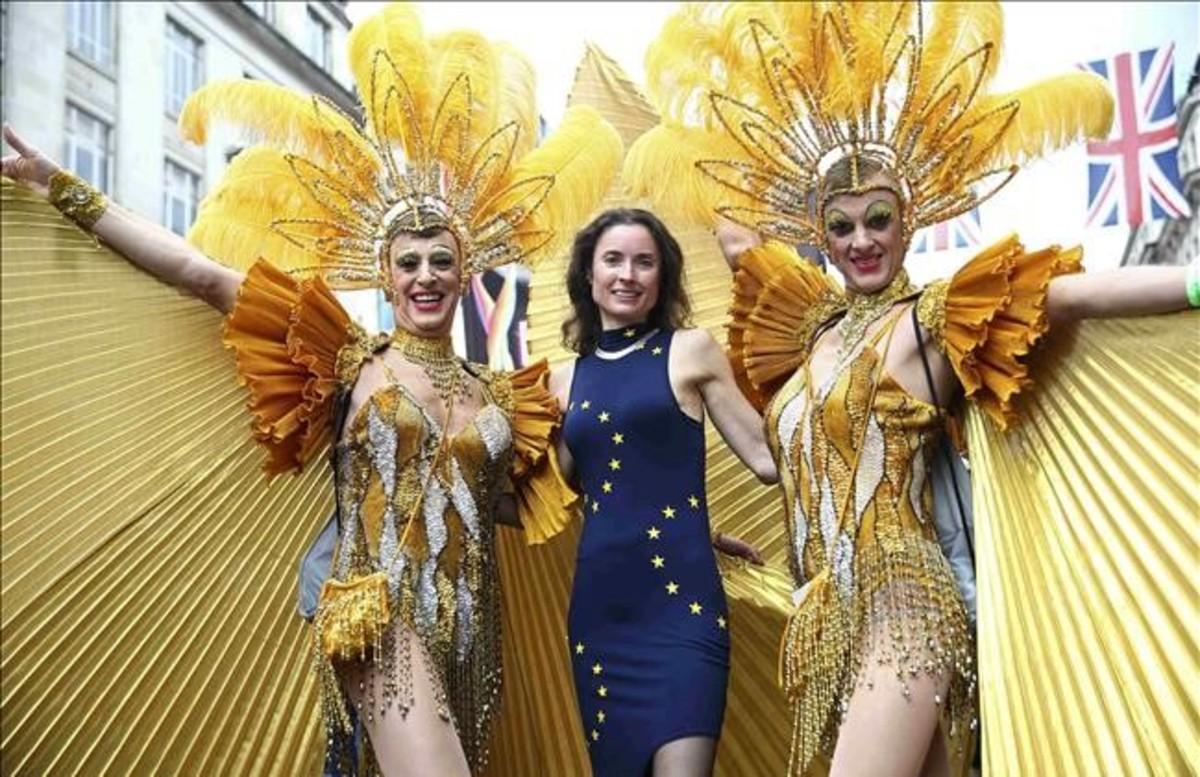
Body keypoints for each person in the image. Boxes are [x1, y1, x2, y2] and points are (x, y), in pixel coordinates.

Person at [0, 3, 619, 775]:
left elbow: (543, 501)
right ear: (386, 275)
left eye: (440, 260)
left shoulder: (504, 397)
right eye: (410, 261)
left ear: (466, 273)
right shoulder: (349, 359)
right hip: (376, 614)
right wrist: (60, 185)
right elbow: (201, 276)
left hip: (468, 631)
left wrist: (679, 528)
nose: (425, 275)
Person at [623, 3, 1199, 776]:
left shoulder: (931, 318)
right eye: (842, 224)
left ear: (908, 221)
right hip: (825, 620)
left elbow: (1076, 296)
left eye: (879, 218)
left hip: (907, 602)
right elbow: (732, 232)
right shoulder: (804, 327)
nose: (862, 240)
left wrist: (1195, 283)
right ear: (819, 232)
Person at [548, 207, 776, 776]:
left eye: (644, 262)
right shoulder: (562, 380)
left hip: (682, 611)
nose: (628, 274)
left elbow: (768, 460)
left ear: (662, 278)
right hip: (602, 616)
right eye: (614, 260)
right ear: (588, 276)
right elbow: (571, 495)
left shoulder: (692, 349)